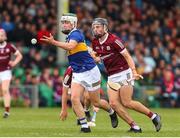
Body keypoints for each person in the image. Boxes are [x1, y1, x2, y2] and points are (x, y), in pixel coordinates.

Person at [40, 13, 118, 133]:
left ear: (73, 24)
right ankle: (84, 126)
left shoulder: (76, 34)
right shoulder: (70, 36)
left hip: (90, 72)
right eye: (63, 22)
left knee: (96, 102)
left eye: (66, 23)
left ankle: (111, 112)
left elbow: (70, 46)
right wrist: (64, 109)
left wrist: (53, 42)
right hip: (78, 73)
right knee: (75, 98)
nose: (64, 25)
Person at [91, 18, 162, 132]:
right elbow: (98, 56)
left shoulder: (114, 40)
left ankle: (153, 116)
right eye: (94, 27)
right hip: (112, 76)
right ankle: (134, 126)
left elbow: (127, 56)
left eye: (98, 26)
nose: (95, 29)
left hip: (124, 73)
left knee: (127, 102)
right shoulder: (94, 42)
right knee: (113, 104)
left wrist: (134, 71)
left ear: (105, 28)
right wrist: (95, 58)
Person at [0, 28, 23, 118]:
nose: (0, 37)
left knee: (5, 90)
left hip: (6, 71)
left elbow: (19, 55)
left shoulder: (10, 46)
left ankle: (7, 111)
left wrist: (14, 63)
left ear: (5, 37)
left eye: (1, 35)